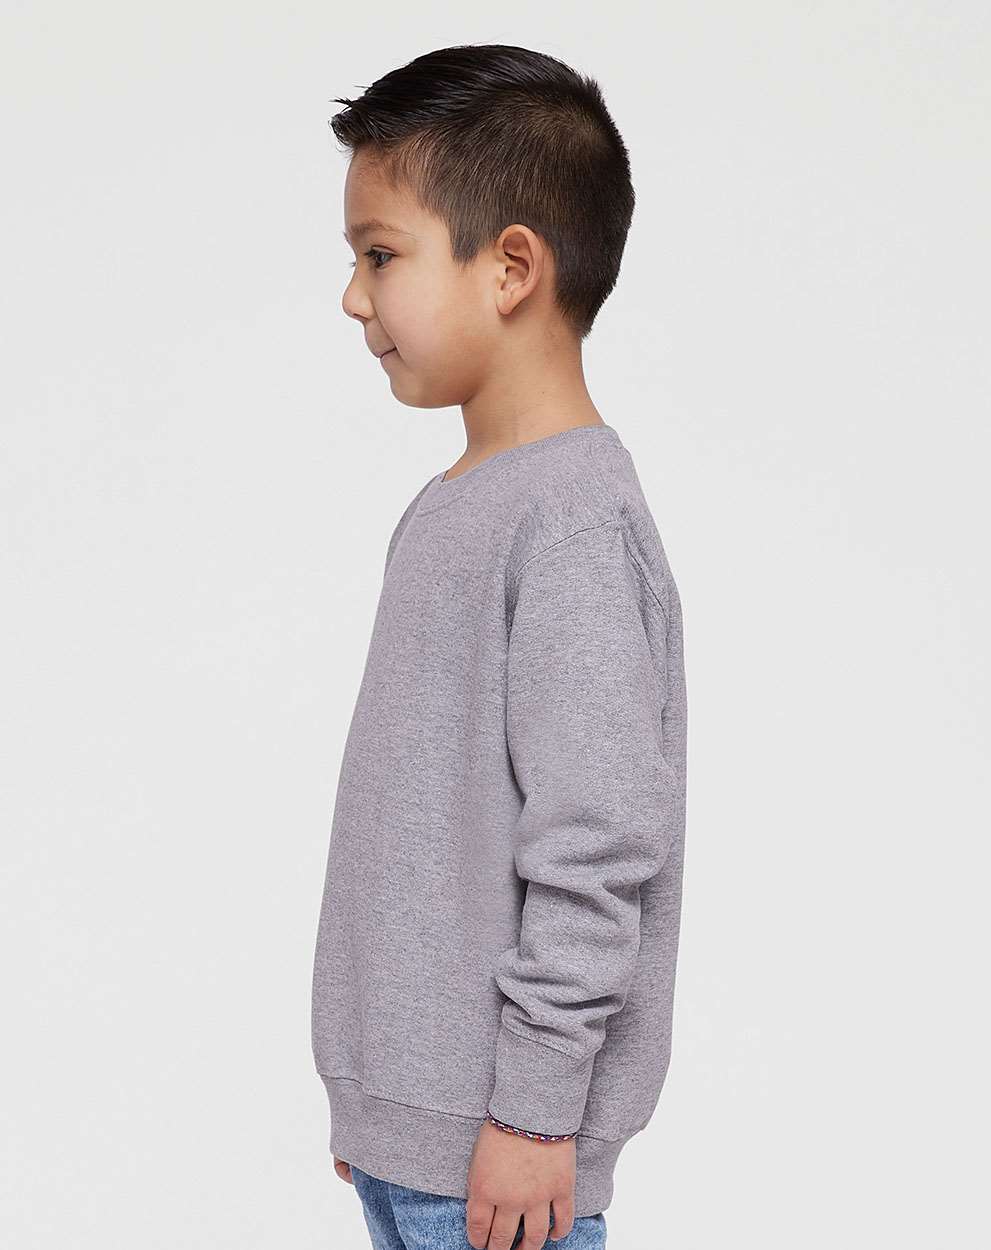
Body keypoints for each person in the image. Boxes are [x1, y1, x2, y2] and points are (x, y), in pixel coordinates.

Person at [311, 43, 687, 1250]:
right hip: (423, 1142)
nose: (354, 296)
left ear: (511, 267)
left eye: (380, 254)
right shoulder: (459, 502)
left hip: (500, 1156)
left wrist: (532, 1110)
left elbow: (598, 841)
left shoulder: (570, 521)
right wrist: (384, 1097)